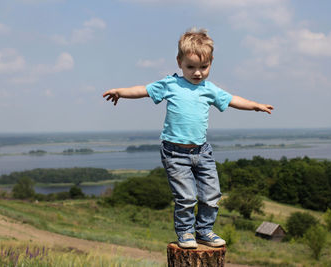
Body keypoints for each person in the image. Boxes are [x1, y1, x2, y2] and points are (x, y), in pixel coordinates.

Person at [103, 28, 274, 249]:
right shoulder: (170, 84)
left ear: (211, 63)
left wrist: (256, 106)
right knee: (186, 197)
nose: (197, 73)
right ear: (179, 62)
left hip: (202, 152)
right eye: (191, 67)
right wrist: (120, 91)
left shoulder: (209, 89)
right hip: (175, 153)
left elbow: (232, 99)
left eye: (204, 67)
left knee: (212, 194)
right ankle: (185, 233)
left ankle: (204, 231)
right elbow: (143, 90)